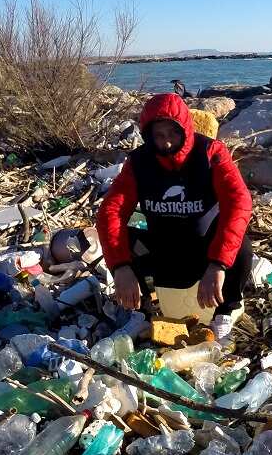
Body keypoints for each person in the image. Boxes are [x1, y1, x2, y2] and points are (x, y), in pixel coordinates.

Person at [97, 92, 253, 342]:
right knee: (124, 237)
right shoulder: (139, 162)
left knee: (242, 245)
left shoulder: (211, 153)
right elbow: (111, 211)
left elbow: (239, 202)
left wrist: (218, 264)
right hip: (164, 252)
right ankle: (141, 311)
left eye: (172, 134)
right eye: (159, 136)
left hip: (205, 254)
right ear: (148, 136)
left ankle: (226, 311)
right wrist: (120, 267)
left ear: (185, 130)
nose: (166, 143)